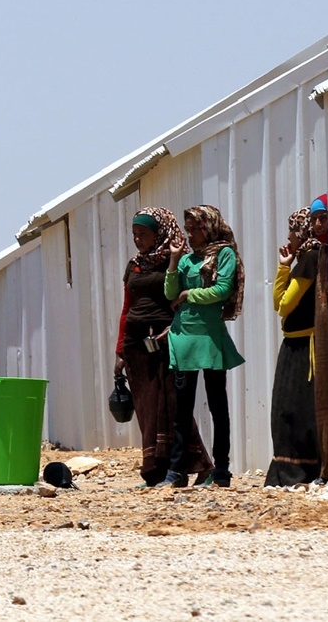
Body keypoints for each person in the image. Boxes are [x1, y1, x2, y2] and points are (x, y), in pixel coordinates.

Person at [115, 208, 212, 487]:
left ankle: (201, 466)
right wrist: (120, 351)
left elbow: (187, 299)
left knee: (171, 404)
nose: (137, 240)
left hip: (166, 338)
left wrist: (176, 328)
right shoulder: (134, 265)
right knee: (146, 407)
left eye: (143, 234)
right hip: (136, 343)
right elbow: (126, 308)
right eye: (134, 234)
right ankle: (156, 471)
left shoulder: (177, 260)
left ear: (159, 233)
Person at [158, 204, 246, 489]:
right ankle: (177, 470)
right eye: (189, 229)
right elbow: (170, 293)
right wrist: (173, 262)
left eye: (197, 228)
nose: (191, 234)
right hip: (184, 339)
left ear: (210, 227)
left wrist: (189, 293)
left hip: (209, 339)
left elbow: (222, 290)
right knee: (182, 410)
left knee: (218, 406)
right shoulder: (186, 260)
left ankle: (221, 469)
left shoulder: (224, 254)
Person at [266, 204, 323, 486]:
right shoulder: (302, 259)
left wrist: (289, 270)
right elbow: (279, 303)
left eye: (292, 231)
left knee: (295, 410)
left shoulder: (311, 258)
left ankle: (297, 472)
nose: (289, 237)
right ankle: (286, 470)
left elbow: (286, 304)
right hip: (293, 344)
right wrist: (283, 268)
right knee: (285, 408)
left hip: (304, 346)